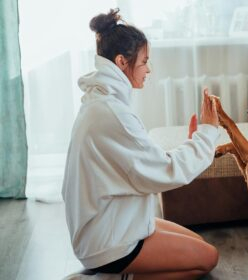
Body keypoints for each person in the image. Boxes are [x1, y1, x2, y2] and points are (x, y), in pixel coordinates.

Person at [62, 8, 220, 280]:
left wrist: (194, 140)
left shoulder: (102, 102)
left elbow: (146, 162)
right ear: (122, 61)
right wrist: (207, 132)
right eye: (145, 61)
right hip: (108, 242)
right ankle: (113, 276)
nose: (149, 69)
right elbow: (167, 171)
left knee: (200, 244)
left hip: (111, 223)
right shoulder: (112, 113)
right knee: (208, 259)